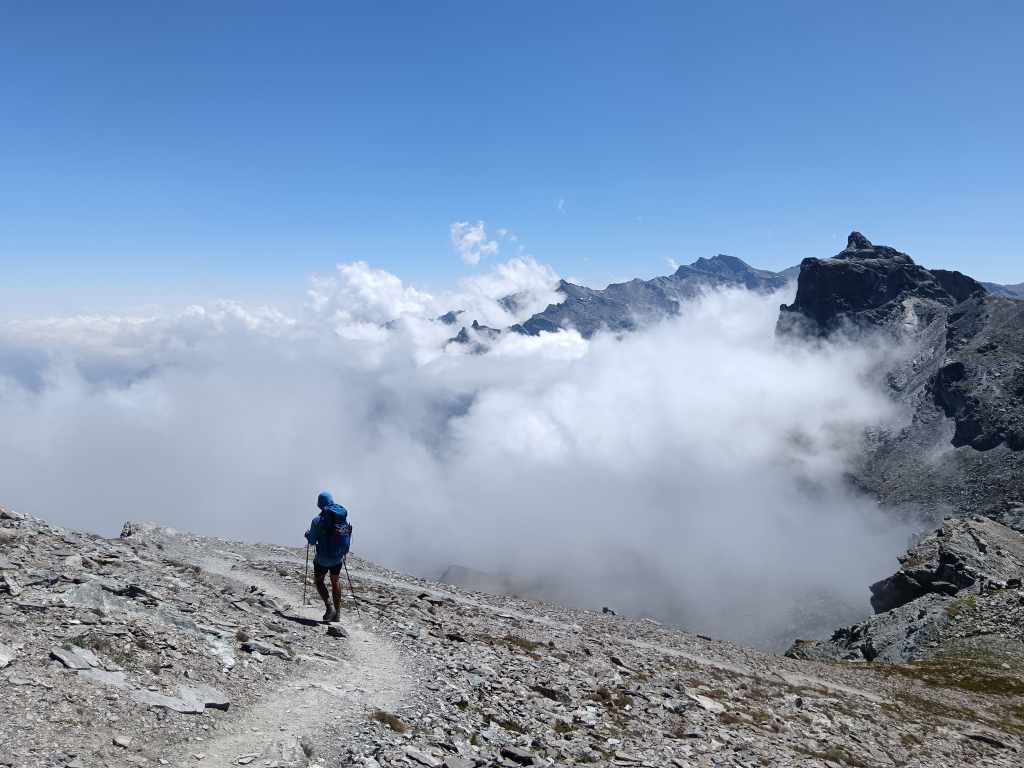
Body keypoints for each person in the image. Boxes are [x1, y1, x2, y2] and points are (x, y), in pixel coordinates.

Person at [305, 491, 352, 622]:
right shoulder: (341, 518)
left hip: (323, 559)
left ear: (319, 504)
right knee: (335, 581)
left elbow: (312, 541)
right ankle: (337, 614)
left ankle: (329, 606)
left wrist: (308, 535)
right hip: (338, 557)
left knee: (319, 581)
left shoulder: (317, 521)